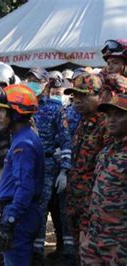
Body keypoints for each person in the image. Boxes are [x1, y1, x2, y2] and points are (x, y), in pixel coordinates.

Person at [0, 84, 45, 266]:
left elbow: (24, 187)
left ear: (16, 114)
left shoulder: (23, 144)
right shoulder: (23, 138)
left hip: (20, 215)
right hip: (21, 213)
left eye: (3, 112)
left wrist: (10, 221)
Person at [25, 67, 74, 265]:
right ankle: (36, 252)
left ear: (46, 83)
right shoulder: (24, 107)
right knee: (36, 208)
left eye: (35, 80)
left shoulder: (55, 108)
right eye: (29, 79)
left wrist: (64, 169)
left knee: (60, 210)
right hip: (30, 165)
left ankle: (68, 252)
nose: (31, 83)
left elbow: (65, 140)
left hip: (50, 164)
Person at [63, 73, 110, 262]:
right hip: (76, 199)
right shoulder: (83, 122)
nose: (77, 100)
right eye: (75, 96)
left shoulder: (108, 125)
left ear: (100, 96)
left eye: (84, 95)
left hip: (93, 204)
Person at [79, 92, 127, 265]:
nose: (111, 120)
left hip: (120, 244)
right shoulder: (105, 152)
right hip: (94, 239)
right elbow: (91, 193)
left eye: (119, 115)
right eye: (108, 116)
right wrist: (84, 229)